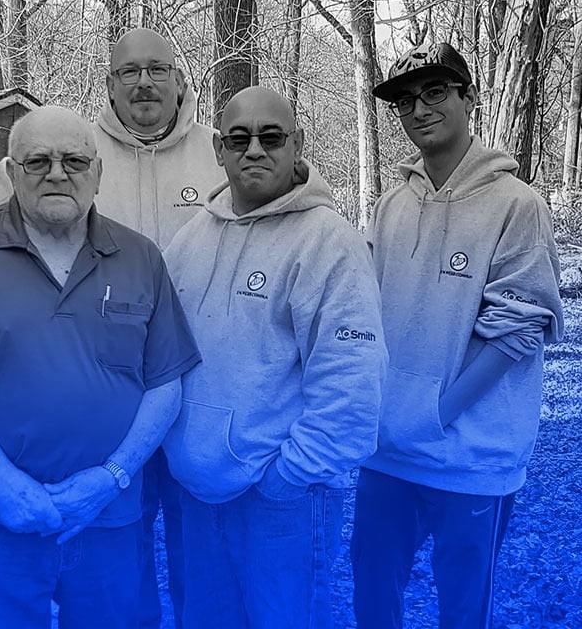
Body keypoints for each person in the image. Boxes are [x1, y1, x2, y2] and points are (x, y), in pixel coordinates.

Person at [0, 28, 218, 626]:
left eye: (73, 162)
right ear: (13, 172)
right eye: (38, 163)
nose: (57, 174)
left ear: (97, 173)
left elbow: (165, 382)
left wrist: (110, 479)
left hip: (110, 515)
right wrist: (5, 486)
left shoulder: (141, 256)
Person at [352, 42, 564, 628]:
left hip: (473, 458)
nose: (419, 109)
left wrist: (436, 415)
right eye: (405, 100)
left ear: (468, 98)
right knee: (372, 593)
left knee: (463, 610)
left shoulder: (516, 205)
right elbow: (365, 319)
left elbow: (517, 331)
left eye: (436, 92)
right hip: (389, 454)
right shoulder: (392, 206)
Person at [161, 86, 386, 628]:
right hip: (200, 493)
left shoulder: (328, 242)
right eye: (239, 138)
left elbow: (352, 382)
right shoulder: (190, 241)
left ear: (297, 143)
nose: (254, 149)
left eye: (271, 136)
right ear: (218, 149)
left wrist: (288, 476)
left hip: (284, 498)